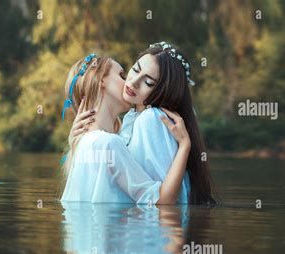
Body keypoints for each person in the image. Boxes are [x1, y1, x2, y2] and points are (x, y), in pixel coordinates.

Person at [60, 54, 190, 205]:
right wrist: (185, 145)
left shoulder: (85, 142)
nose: (130, 82)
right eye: (122, 75)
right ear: (101, 80)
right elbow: (161, 201)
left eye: (148, 82)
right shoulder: (109, 144)